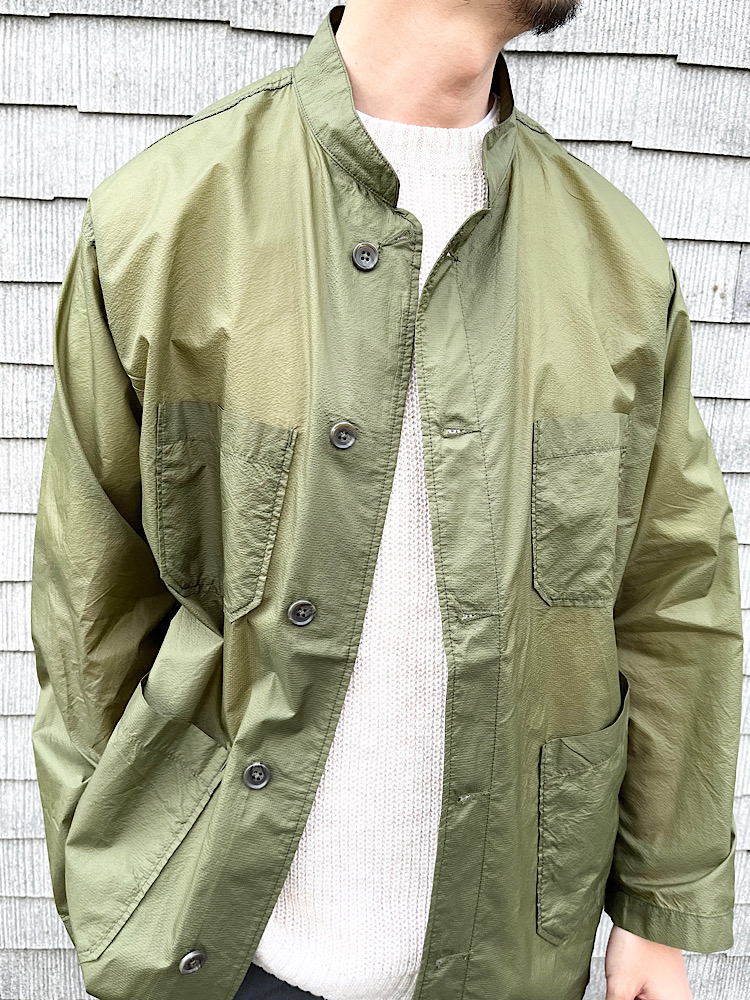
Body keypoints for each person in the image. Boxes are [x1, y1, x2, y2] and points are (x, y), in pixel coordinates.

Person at [29, 3, 743, 1000]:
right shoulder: (162, 222)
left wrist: (656, 907)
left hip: (511, 957)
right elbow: (90, 603)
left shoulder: (616, 260)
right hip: (225, 955)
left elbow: (672, 598)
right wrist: (105, 876)